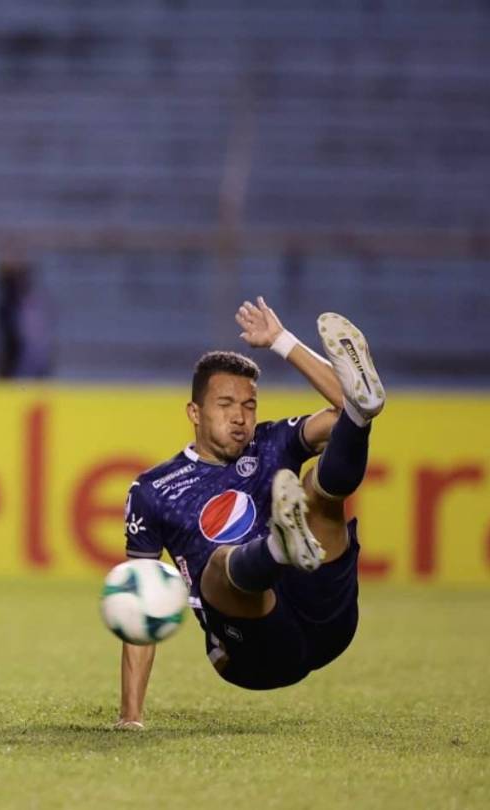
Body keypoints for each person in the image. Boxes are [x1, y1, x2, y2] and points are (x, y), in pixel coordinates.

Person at [116, 297, 385, 729]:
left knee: (321, 486)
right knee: (220, 563)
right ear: (194, 412)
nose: (240, 418)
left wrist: (282, 340)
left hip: (325, 614)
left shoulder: (271, 441)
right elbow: (140, 602)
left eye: (249, 406)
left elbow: (344, 410)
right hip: (255, 652)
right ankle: (277, 547)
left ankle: (284, 545)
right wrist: (131, 716)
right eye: (225, 405)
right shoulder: (154, 490)